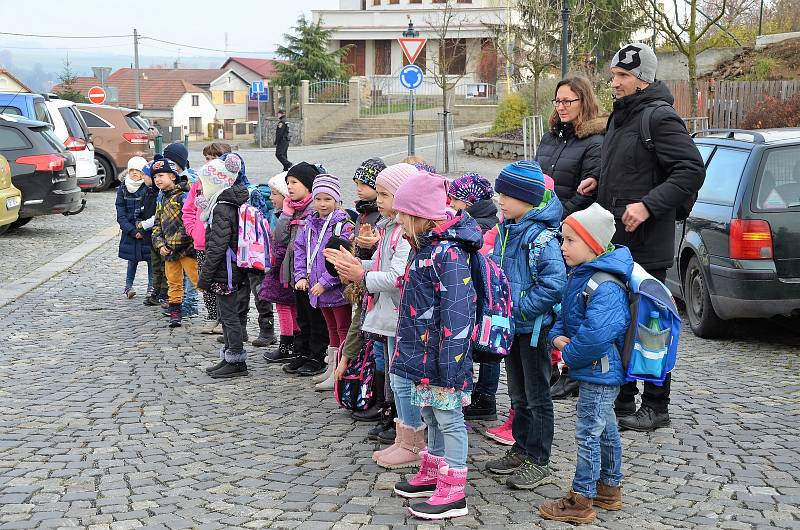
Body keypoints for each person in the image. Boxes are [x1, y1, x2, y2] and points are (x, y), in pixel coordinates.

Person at [579, 42, 705, 432]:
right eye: (614, 75)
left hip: (647, 242)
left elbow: (689, 170)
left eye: (621, 77)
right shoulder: (622, 116)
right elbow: (631, 166)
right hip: (617, 240)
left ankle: (655, 404)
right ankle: (621, 398)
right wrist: (599, 180)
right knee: (616, 318)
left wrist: (648, 205)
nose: (613, 83)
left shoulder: (660, 117)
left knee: (650, 323)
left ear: (642, 79)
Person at [388, 170, 479, 520]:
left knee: (449, 419)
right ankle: (433, 470)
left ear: (421, 216)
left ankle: (454, 489)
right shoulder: (423, 250)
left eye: (403, 214)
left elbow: (457, 313)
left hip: (443, 359)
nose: (398, 220)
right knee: (430, 414)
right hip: (421, 356)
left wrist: (450, 364)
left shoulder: (448, 255)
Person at [538, 203, 631, 524]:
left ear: (593, 245)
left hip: (600, 371)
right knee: (605, 430)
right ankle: (609, 488)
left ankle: (581, 499)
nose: (562, 247)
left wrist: (569, 352)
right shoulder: (582, 276)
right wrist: (557, 338)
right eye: (562, 239)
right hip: (594, 369)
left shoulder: (604, 285)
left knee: (588, 433)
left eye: (569, 241)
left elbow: (598, 335)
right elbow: (565, 316)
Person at [325, 163, 420, 465]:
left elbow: (397, 276)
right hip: (390, 317)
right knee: (397, 378)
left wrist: (360, 274)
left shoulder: (403, 234)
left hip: (401, 315)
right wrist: (357, 266)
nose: (378, 200)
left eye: (385, 194)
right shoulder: (387, 229)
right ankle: (404, 437)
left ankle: (412, 441)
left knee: (404, 380)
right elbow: (382, 269)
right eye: (378, 193)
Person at [484, 161, 567, 490]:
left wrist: (519, 311)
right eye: (499, 193)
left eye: (507, 195)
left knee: (537, 395)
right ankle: (521, 447)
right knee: (517, 394)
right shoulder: (506, 229)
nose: (500, 200)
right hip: (510, 329)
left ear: (527, 199)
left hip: (532, 330)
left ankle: (540, 458)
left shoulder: (541, 238)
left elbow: (553, 285)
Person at [535, 75, 607, 400]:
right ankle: (550, 368)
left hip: (571, 230)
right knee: (549, 303)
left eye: (568, 101)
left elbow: (589, 192)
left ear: (584, 103)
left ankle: (571, 371)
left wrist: (558, 216)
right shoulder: (550, 137)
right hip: (544, 227)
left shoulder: (594, 141)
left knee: (569, 305)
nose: (562, 107)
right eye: (558, 101)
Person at [316, 158, 386, 393]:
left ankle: (370, 385)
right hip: (360, 278)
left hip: (372, 282)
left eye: (363, 184)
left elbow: (384, 257)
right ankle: (345, 370)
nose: (358, 188)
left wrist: (367, 247)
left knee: (363, 334)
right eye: (356, 183)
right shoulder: (362, 214)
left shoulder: (379, 216)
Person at [446, 172, 500, 422]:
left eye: (455, 200)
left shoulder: (480, 226)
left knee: (487, 348)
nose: (451, 204)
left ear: (468, 201)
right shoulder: (479, 219)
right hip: (477, 292)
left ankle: (485, 396)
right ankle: (481, 394)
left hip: (482, 295)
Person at [293, 174, 354, 378]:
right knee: (331, 330)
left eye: (327, 199)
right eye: (318, 199)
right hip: (316, 289)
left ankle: (343, 371)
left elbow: (344, 260)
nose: (322, 204)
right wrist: (301, 275)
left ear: (336, 200)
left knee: (343, 328)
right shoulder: (309, 223)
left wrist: (325, 282)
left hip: (336, 290)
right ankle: (331, 370)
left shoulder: (342, 226)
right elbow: (300, 249)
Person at [197, 155, 252, 379]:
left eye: (204, 182)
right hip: (226, 269)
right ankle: (229, 356)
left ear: (215, 182)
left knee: (229, 316)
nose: (201, 187)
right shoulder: (223, 203)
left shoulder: (221, 207)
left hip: (225, 271)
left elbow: (217, 246)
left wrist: (204, 278)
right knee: (225, 313)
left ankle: (237, 360)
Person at [281, 162, 330, 376]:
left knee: (316, 318)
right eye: (288, 183)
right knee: (302, 317)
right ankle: (301, 351)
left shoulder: (314, 212)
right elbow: (285, 241)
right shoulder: (291, 210)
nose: (290, 187)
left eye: (295, 182)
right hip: (298, 273)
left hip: (317, 277)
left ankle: (316, 355)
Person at [150, 156, 197, 328]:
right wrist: (160, 244)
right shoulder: (161, 197)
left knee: (198, 279)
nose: (157, 180)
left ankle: (217, 313)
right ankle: (175, 313)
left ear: (173, 176)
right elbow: (157, 224)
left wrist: (173, 245)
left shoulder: (183, 196)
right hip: (168, 251)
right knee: (173, 282)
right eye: (155, 177)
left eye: (161, 175)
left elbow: (189, 224)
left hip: (186, 250)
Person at [260, 172, 300, 363]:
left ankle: (287, 345)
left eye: (274, 194)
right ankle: (293, 343)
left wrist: (274, 262)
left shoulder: (286, 217)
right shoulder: (280, 215)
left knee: (284, 306)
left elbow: (283, 243)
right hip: (284, 267)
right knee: (290, 306)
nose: (270, 197)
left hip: (283, 268)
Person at [183, 151, 220, 334]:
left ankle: (224, 318)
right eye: (207, 158)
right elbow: (188, 209)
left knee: (222, 281)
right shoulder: (198, 184)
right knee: (205, 282)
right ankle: (212, 316)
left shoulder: (224, 184)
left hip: (220, 243)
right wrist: (192, 230)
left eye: (214, 157)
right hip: (201, 243)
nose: (209, 161)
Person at [163, 142, 200, 319]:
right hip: (170, 242)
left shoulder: (188, 183)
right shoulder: (165, 188)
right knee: (175, 278)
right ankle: (179, 305)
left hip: (187, 242)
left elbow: (189, 215)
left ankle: (192, 303)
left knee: (194, 276)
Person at [115, 157, 153, 299]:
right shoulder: (123, 188)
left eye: (138, 170)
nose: (135, 173)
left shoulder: (149, 188)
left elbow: (152, 211)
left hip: (146, 231)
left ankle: (151, 287)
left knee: (151, 260)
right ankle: (128, 286)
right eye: (132, 170)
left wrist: (143, 230)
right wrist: (131, 230)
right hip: (130, 231)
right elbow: (121, 213)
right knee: (132, 260)